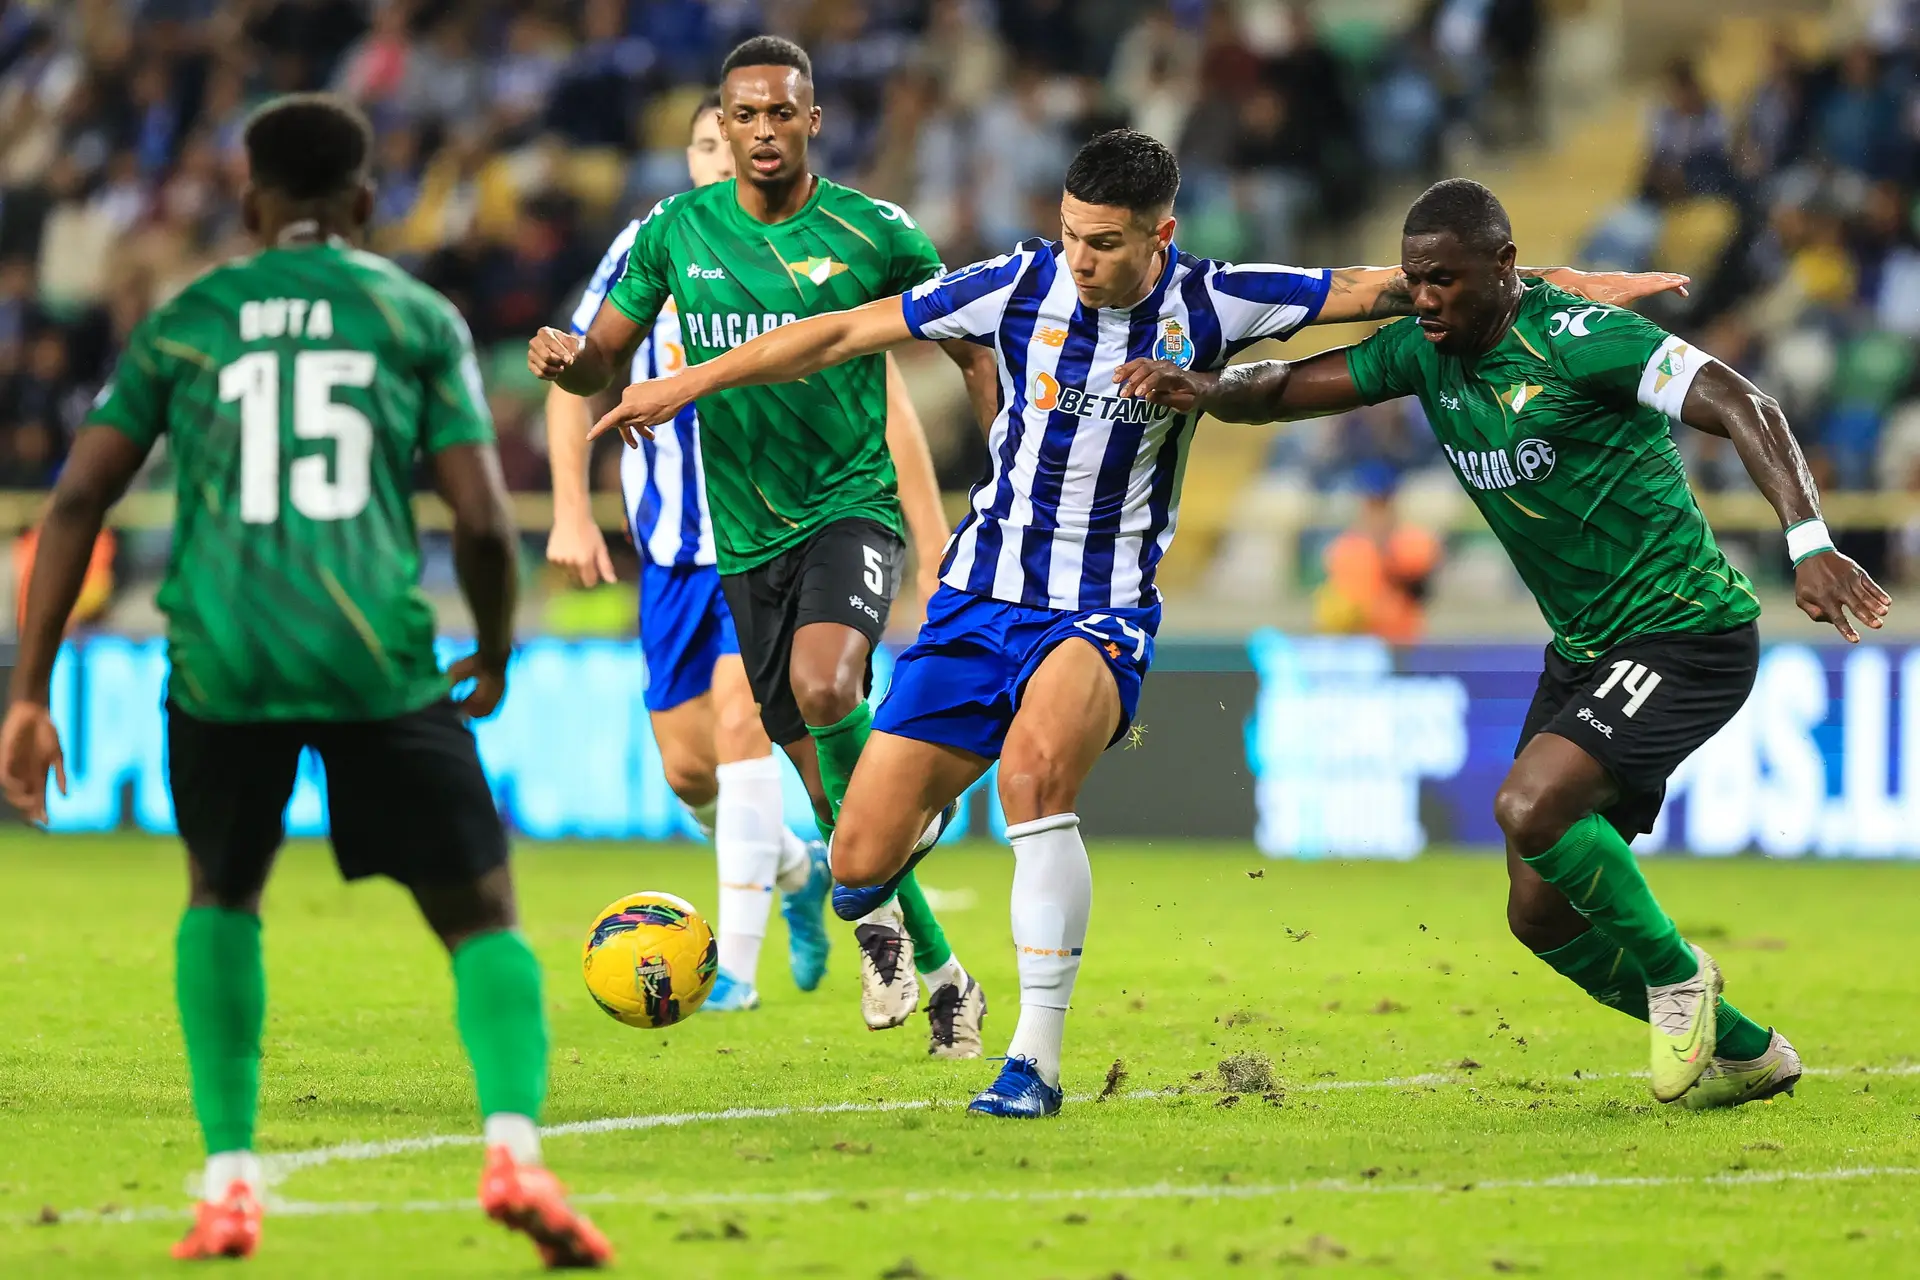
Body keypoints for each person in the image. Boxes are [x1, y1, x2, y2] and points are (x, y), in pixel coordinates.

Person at [582, 129, 1685, 1118]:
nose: (1079, 259)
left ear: (1160, 234)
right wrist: (685, 387)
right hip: (978, 602)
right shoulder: (1013, 285)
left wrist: (1574, 287)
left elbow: (1398, 288)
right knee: (858, 855)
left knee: (1033, 778)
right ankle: (892, 914)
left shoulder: (1218, 298)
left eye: (1104, 243)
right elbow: (837, 333)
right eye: (1069, 234)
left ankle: (1033, 1061)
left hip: (1100, 611)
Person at [1118, 177, 1892, 1109]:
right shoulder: (1421, 350)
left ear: (1504, 267)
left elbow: (1743, 401)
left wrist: (1810, 543)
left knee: (1530, 804)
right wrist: (1201, 389)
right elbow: (1283, 389)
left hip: (1687, 628)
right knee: (1537, 914)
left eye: (1444, 279)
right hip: (1587, 647)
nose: (1426, 298)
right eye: (1414, 280)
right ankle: (1747, 1051)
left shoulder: (1581, 340)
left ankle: (1679, 976)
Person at [0, 95, 611, 1268]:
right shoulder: (411, 314)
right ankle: (515, 1153)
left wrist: (29, 689)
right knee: (481, 912)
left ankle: (228, 1182)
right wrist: (489, 641)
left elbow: (76, 497)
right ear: (367, 203)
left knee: (221, 895)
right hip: (369, 650)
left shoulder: (192, 314)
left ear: (249, 202)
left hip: (221, 655)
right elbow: (482, 518)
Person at [528, 37, 1000, 1055]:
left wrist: (1001, 466)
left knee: (828, 687)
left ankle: (875, 879)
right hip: (741, 538)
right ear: (724, 126)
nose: (763, 132)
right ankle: (939, 968)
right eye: (744, 116)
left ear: (812, 120)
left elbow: (968, 337)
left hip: (847, 505)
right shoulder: (674, 234)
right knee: (832, 799)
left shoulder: (873, 231)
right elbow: (602, 361)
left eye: (782, 113)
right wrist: (567, 362)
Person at [545, 90, 833, 1015]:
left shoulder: (803, 247)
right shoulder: (647, 247)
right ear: (691, 157)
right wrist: (570, 511)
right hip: (670, 550)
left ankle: (735, 968)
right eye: (708, 141)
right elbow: (571, 374)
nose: (726, 152)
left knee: (749, 729)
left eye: (741, 136)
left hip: (769, 536)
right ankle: (797, 873)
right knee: (687, 769)